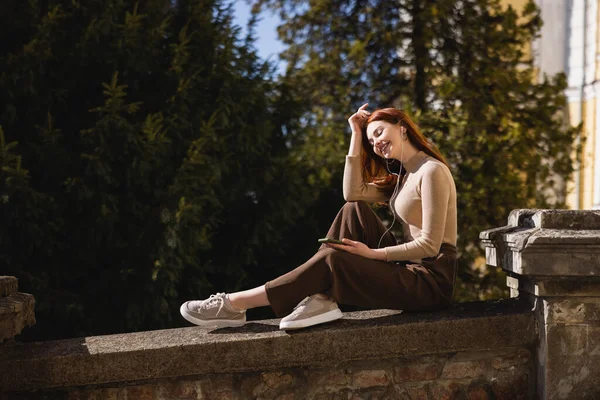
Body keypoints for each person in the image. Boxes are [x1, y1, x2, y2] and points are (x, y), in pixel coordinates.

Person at [180, 103, 458, 330]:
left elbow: (430, 246)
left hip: (430, 283)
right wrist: (356, 134)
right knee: (353, 211)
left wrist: (370, 254)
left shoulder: (431, 171)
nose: (376, 144)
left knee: (334, 258)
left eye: (379, 132)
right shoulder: (403, 179)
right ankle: (323, 297)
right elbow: (352, 194)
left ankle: (235, 304)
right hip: (408, 270)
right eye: (371, 139)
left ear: (402, 128)